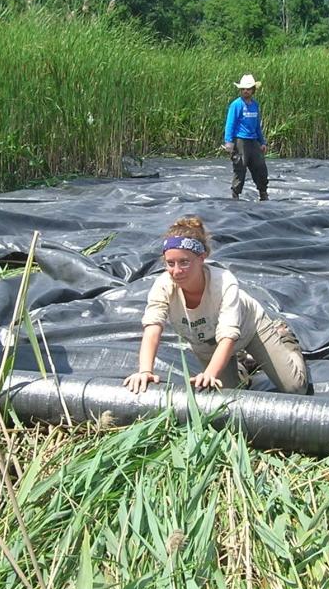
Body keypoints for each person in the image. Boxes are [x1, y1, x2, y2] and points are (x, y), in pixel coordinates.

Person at [123, 215, 311, 395]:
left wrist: (210, 374)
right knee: (226, 395)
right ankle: (242, 363)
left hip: (250, 330)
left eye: (184, 262)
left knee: (295, 388)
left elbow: (228, 335)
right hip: (206, 343)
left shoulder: (223, 283)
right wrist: (145, 371)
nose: (177, 271)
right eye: (170, 263)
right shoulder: (164, 286)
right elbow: (152, 329)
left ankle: (284, 339)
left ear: (202, 258)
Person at [223, 74, 268, 200]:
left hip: (253, 141)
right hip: (240, 141)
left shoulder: (255, 105)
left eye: (248, 89)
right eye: (243, 89)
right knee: (240, 168)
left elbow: (257, 126)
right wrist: (228, 142)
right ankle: (235, 195)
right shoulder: (236, 105)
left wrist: (262, 142)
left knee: (260, 167)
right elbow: (230, 124)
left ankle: (263, 193)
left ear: (253, 90)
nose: (245, 91)